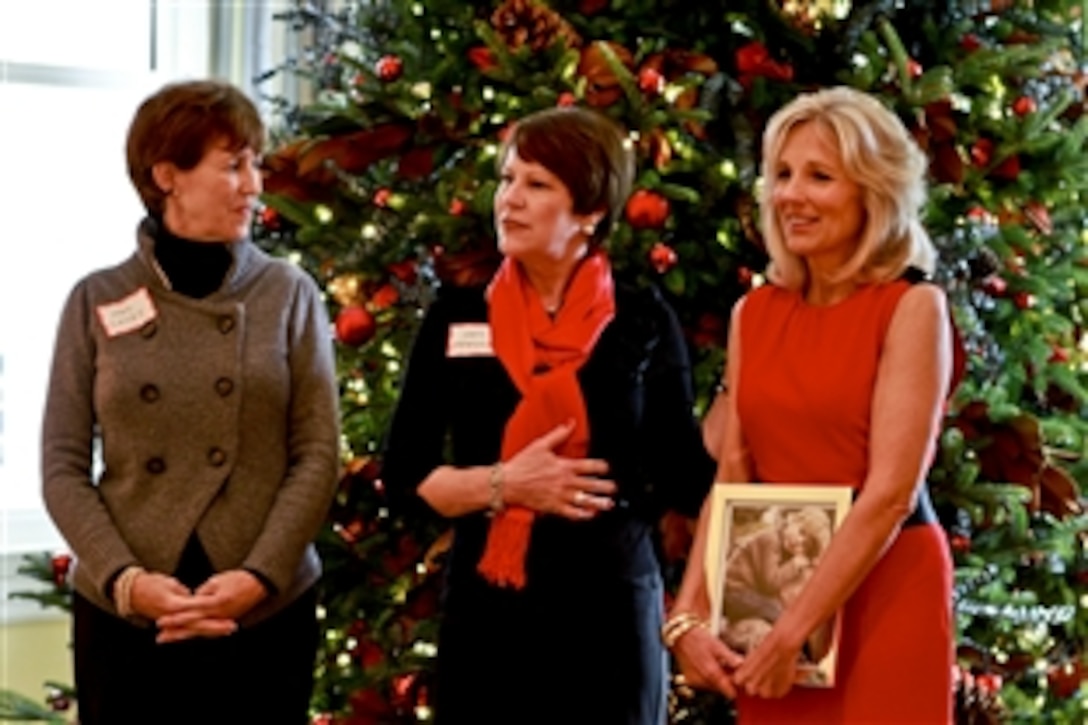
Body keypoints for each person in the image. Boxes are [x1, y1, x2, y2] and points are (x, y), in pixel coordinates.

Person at [380, 106, 716, 725]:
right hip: (489, 616)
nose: (509, 201)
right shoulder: (458, 317)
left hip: (611, 613)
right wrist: (506, 484)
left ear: (590, 211)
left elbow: (684, 477)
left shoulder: (642, 319)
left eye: (536, 186)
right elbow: (406, 472)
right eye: (507, 180)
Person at [41, 79, 340, 725]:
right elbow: (62, 464)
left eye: (255, 163)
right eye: (234, 165)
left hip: (264, 610)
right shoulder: (95, 298)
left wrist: (259, 578)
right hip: (128, 610)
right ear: (167, 175)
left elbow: (317, 454)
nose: (255, 183)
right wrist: (127, 581)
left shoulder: (291, 294)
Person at [666, 85, 957, 723]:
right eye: (782, 175)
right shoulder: (755, 313)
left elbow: (890, 493)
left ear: (872, 192)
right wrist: (685, 617)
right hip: (769, 590)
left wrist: (792, 629)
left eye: (819, 176)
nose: (792, 195)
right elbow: (733, 473)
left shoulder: (913, 307)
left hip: (885, 588)